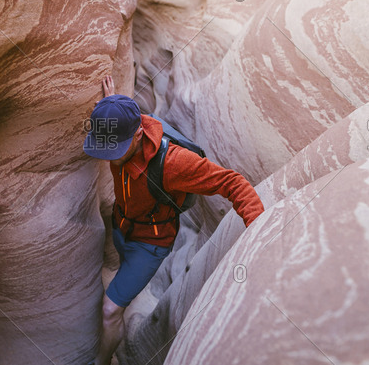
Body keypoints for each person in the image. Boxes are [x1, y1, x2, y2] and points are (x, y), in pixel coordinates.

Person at [84, 75, 265, 365]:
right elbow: (120, 121)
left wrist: (260, 227)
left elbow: (232, 182)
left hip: (149, 245)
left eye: (113, 150)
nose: (108, 156)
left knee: (109, 310)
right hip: (122, 227)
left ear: (139, 136)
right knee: (118, 275)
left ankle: (101, 361)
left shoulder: (174, 163)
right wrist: (111, 105)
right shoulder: (122, 128)